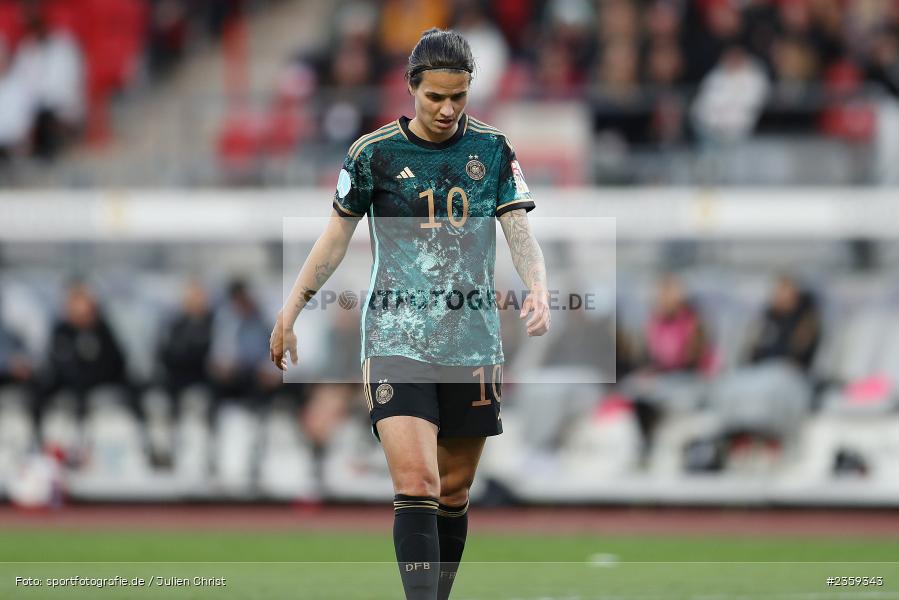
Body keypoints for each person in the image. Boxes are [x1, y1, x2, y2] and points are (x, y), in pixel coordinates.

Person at [270, 28, 550, 600]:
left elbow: (519, 231)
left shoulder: (493, 149)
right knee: (417, 481)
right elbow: (333, 242)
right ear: (410, 89)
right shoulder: (371, 154)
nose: (447, 109)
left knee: (453, 491)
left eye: (459, 96)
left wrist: (539, 286)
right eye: (435, 98)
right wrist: (290, 310)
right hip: (396, 338)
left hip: (472, 344)